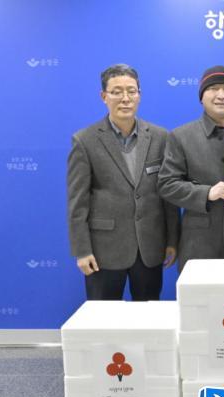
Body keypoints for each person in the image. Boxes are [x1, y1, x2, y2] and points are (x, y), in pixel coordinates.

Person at [67, 64, 179, 300]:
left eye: (131, 91)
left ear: (139, 94)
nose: (125, 98)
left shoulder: (160, 137)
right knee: (104, 316)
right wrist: (82, 250)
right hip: (104, 250)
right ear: (104, 96)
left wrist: (172, 240)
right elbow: (78, 202)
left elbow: (168, 194)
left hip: (149, 247)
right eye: (117, 92)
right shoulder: (85, 140)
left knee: (148, 314)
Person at [158, 66, 224, 272]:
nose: (221, 95)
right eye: (213, 89)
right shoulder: (181, 136)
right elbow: (167, 184)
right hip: (198, 247)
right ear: (201, 97)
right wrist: (206, 193)